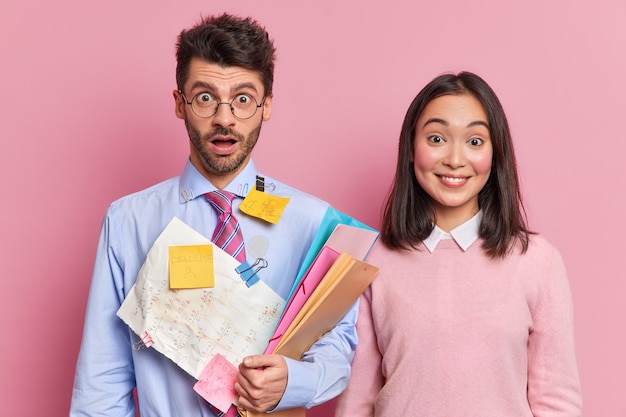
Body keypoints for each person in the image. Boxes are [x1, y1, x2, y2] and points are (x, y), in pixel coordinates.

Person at [70, 13, 358, 416]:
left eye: (243, 99)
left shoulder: (313, 221)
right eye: (205, 97)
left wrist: (294, 381)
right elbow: (102, 378)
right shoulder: (128, 221)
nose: (225, 118)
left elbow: (339, 343)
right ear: (179, 104)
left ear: (267, 105)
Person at [335, 71, 582, 416]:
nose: (455, 159)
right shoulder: (371, 260)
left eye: (475, 141)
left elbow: (557, 400)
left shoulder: (537, 261)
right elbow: (357, 399)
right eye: (436, 138)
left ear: (495, 155)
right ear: (410, 148)